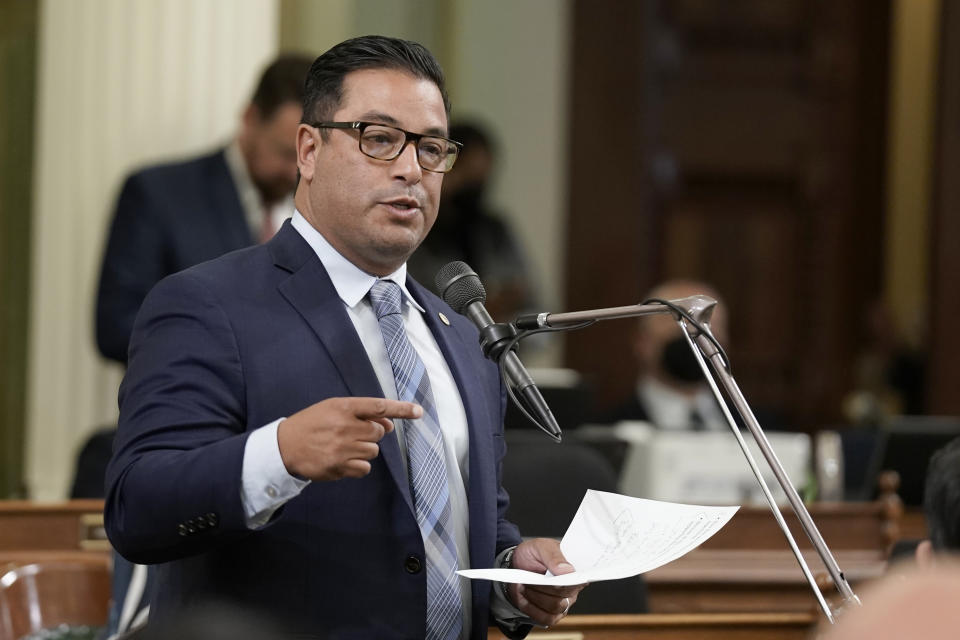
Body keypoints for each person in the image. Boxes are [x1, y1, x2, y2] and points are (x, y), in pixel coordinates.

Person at [104, 35, 586, 639]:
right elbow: (138, 509)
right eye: (379, 139)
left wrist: (516, 576)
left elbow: (469, 526)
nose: (412, 168)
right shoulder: (207, 305)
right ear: (308, 149)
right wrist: (278, 454)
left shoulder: (461, 337)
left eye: (432, 148)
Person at [95, 54, 313, 365]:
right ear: (250, 119)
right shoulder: (158, 193)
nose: (296, 170)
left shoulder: (316, 209)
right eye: (283, 153)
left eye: (308, 154)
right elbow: (117, 326)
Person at [406, 121, 534, 321]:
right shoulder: (416, 227)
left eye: (480, 179)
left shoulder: (495, 231)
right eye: (464, 174)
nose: (471, 187)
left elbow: (532, 302)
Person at [596, 279, 730, 429]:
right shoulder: (605, 429)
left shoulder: (755, 425)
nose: (697, 336)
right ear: (643, 342)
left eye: (710, 325)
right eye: (679, 325)